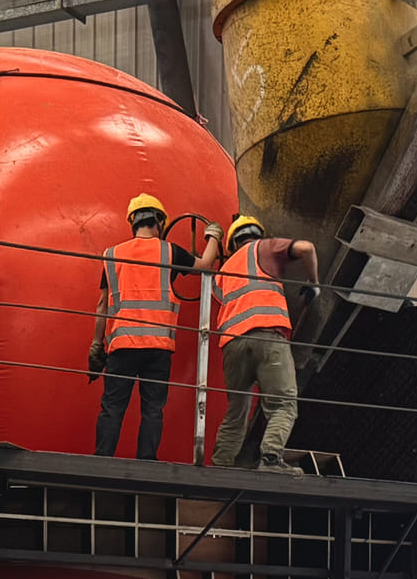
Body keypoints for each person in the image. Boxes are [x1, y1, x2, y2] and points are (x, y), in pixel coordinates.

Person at [88, 195, 224, 460]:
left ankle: (103, 457)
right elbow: (205, 266)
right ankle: (147, 460)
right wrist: (214, 236)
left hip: (122, 346)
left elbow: (102, 304)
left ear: (133, 222)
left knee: (112, 408)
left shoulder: (112, 255)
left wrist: (96, 345)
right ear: (160, 221)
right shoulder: (169, 251)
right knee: (152, 409)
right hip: (158, 348)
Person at [209, 215, 320, 470]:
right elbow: (307, 248)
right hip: (268, 336)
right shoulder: (266, 247)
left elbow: (221, 298)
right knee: (283, 404)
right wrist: (313, 284)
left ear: (232, 243)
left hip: (233, 345)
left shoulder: (223, 272)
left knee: (237, 410)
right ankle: (270, 460)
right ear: (258, 234)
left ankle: (220, 465)